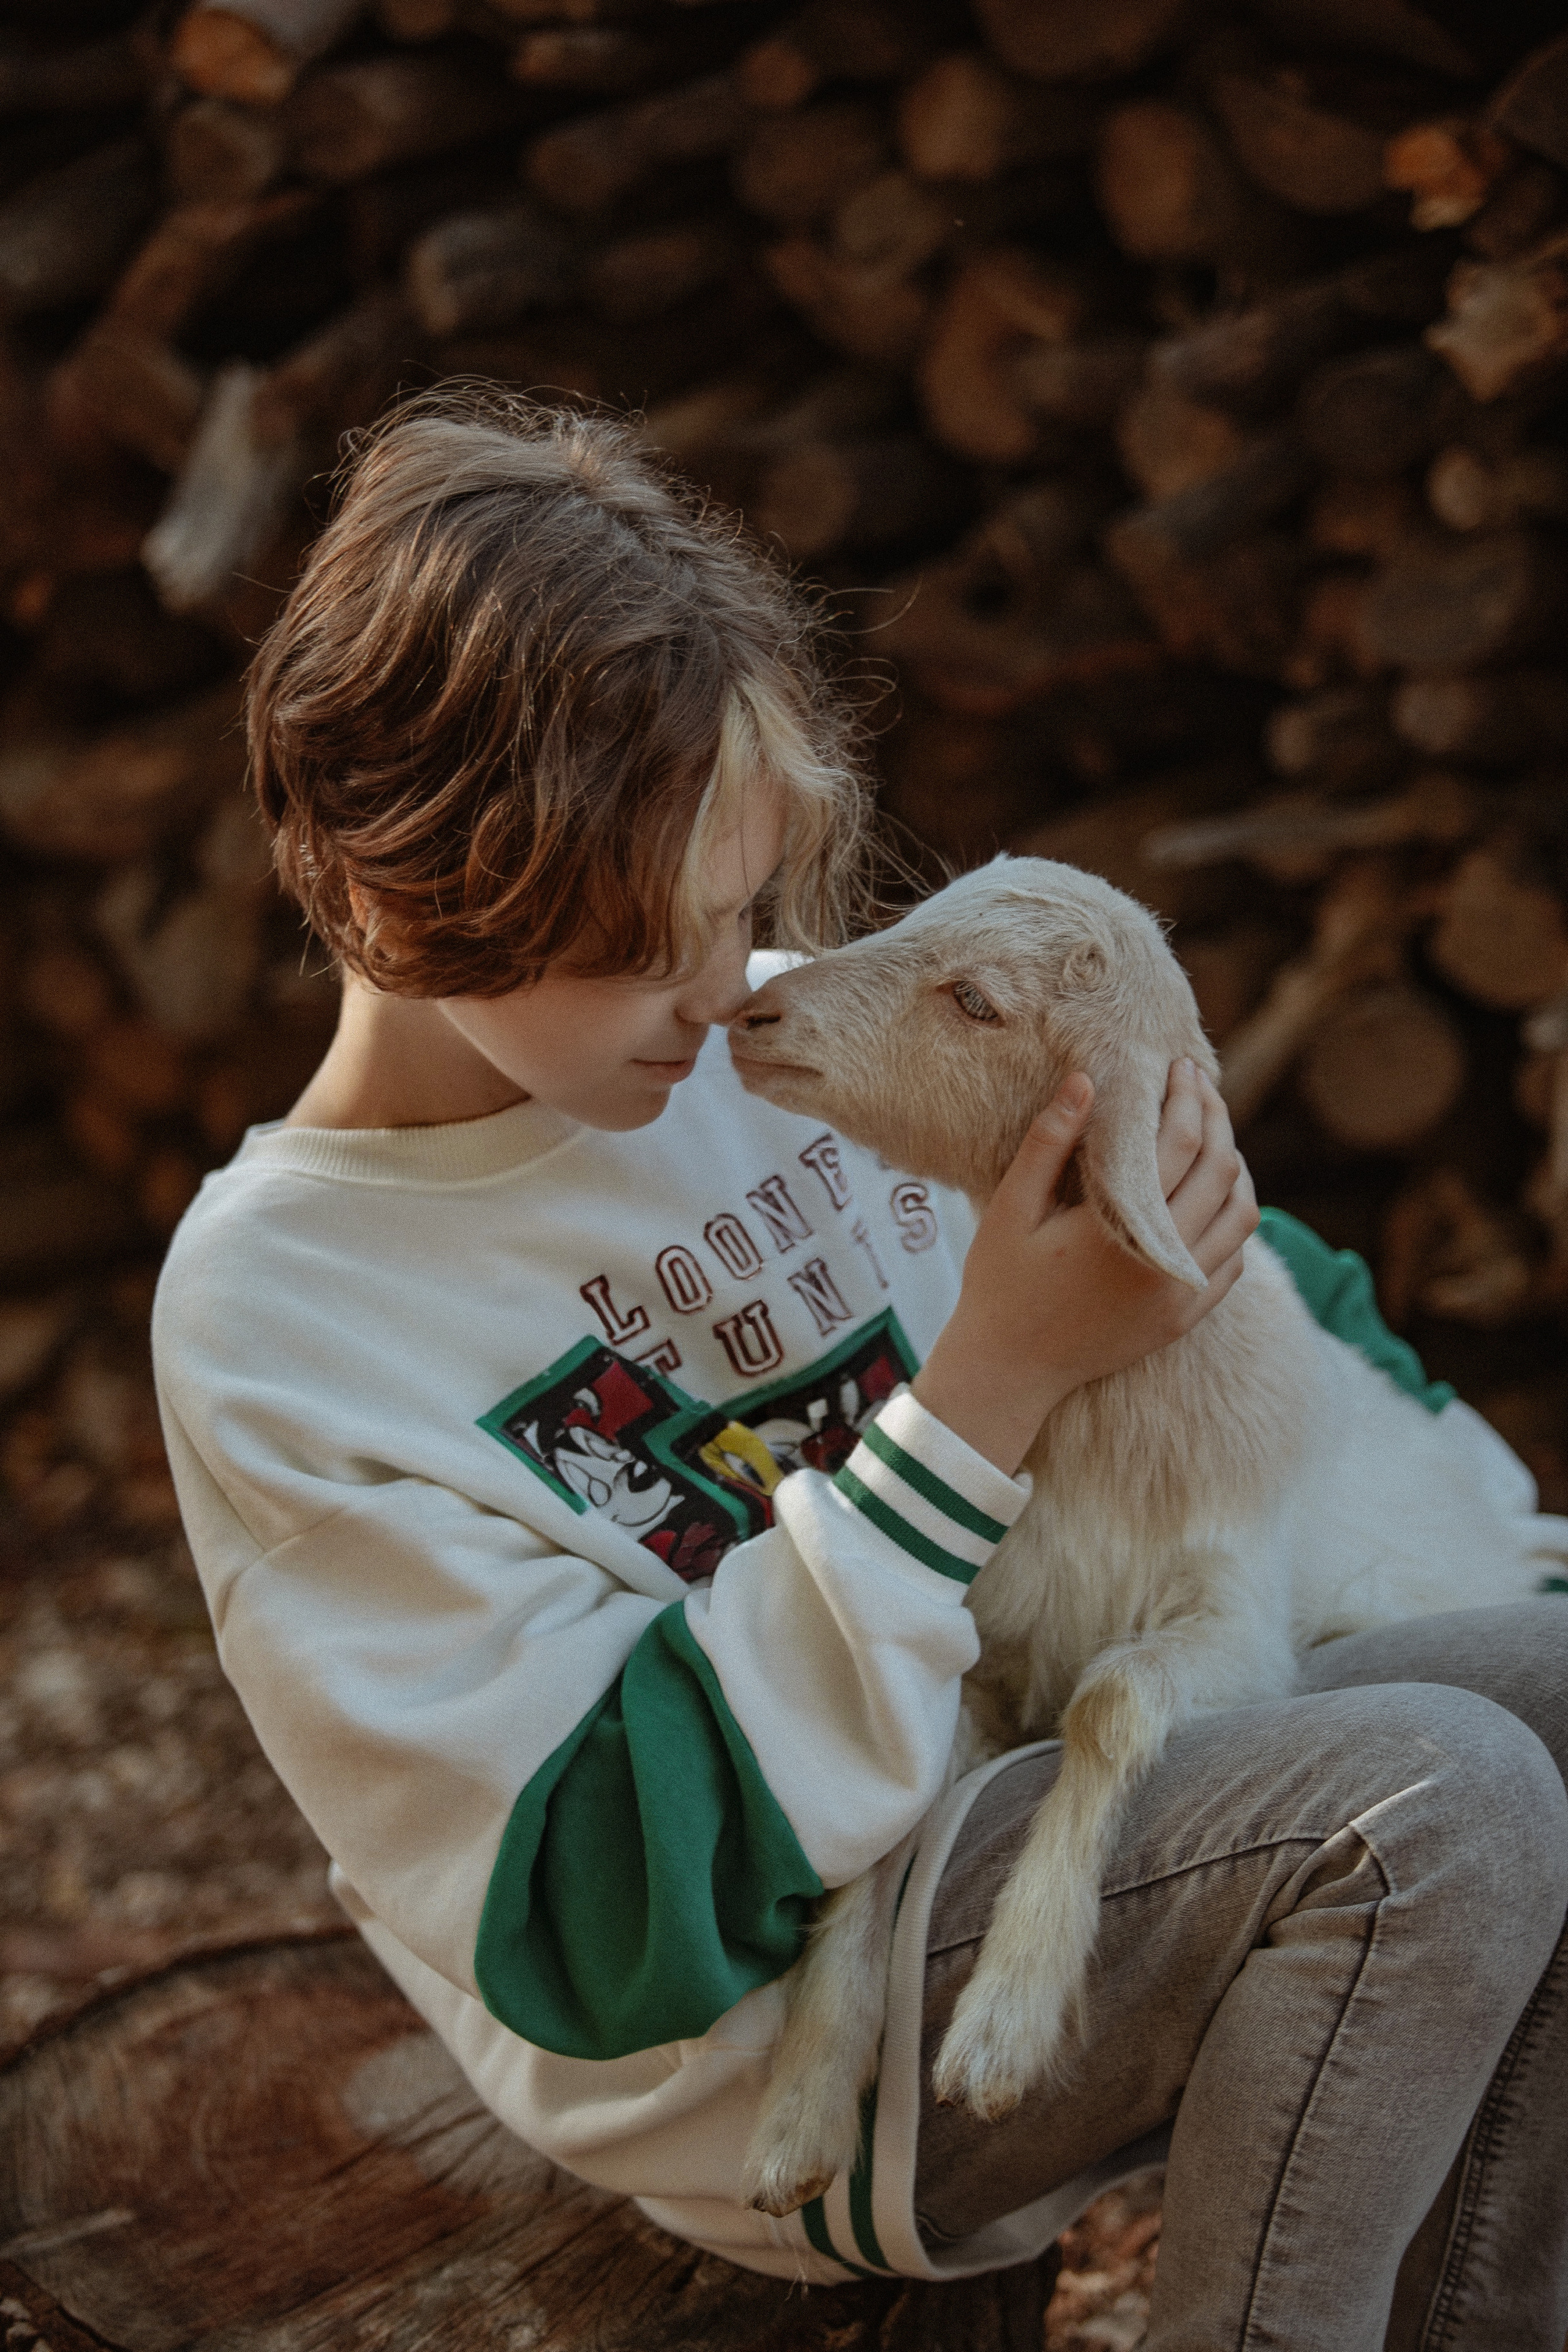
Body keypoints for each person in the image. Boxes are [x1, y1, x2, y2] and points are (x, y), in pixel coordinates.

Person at [151, 391, 1568, 2349]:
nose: (736, 990)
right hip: (783, 2011)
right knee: (1452, 1803)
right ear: (410, 898)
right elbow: (590, 1915)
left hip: (1059, 1751)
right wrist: (985, 1386)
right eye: (660, 940)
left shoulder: (734, 1047)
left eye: (747, 910)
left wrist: (1195, 1218)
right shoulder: (293, 1314)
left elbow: (1231, 1303)